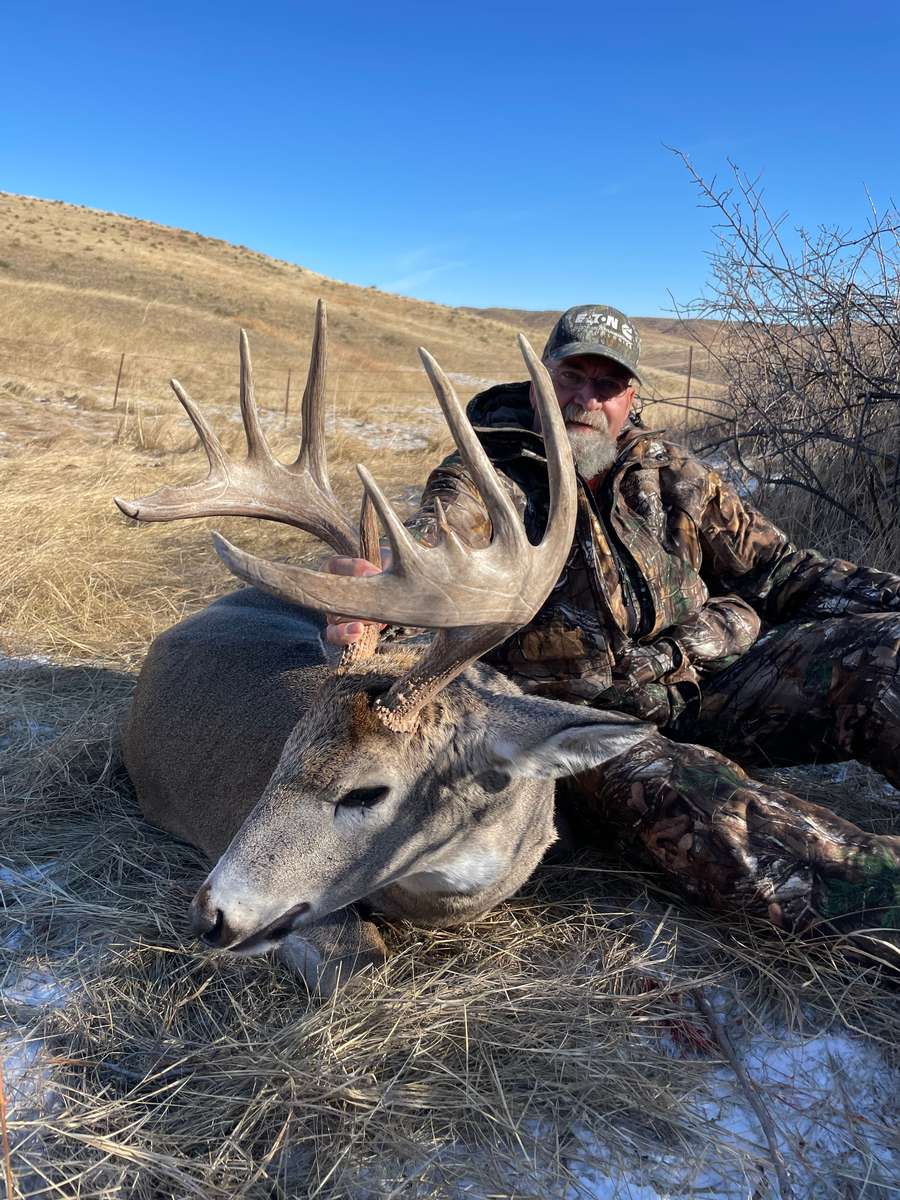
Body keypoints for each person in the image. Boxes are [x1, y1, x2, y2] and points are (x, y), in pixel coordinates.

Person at [327, 304, 900, 961]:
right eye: (572, 375)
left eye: (608, 384)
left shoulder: (669, 473)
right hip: (571, 729)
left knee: (885, 654)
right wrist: (373, 596)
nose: (586, 398)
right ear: (541, 375)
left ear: (632, 396)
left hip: (697, 685)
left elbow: (780, 570)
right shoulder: (490, 475)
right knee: (697, 801)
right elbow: (440, 547)